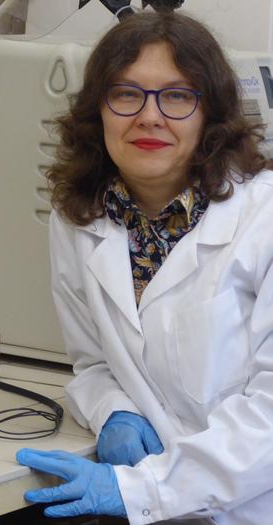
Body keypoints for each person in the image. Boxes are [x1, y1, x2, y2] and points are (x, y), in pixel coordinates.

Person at [16, 10, 273, 525]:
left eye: (177, 96)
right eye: (127, 94)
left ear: (211, 115)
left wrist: (147, 488)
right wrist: (115, 410)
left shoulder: (263, 219)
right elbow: (92, 362)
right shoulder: (79, 218)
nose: (149, 117)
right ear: (99, 111)